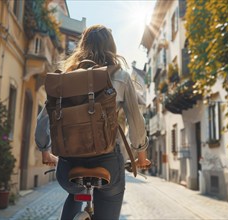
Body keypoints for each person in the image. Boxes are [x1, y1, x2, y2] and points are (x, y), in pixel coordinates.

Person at [35, 24, 151, 220]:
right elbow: (136, 121)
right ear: (111, 48)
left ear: (82, 46)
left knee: (75, 193)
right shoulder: (121, 76)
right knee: (110, 196)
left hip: (68, 164)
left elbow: (43, 121)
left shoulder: (64, 78)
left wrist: (45, 150)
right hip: (107, 162)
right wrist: (140, 155)